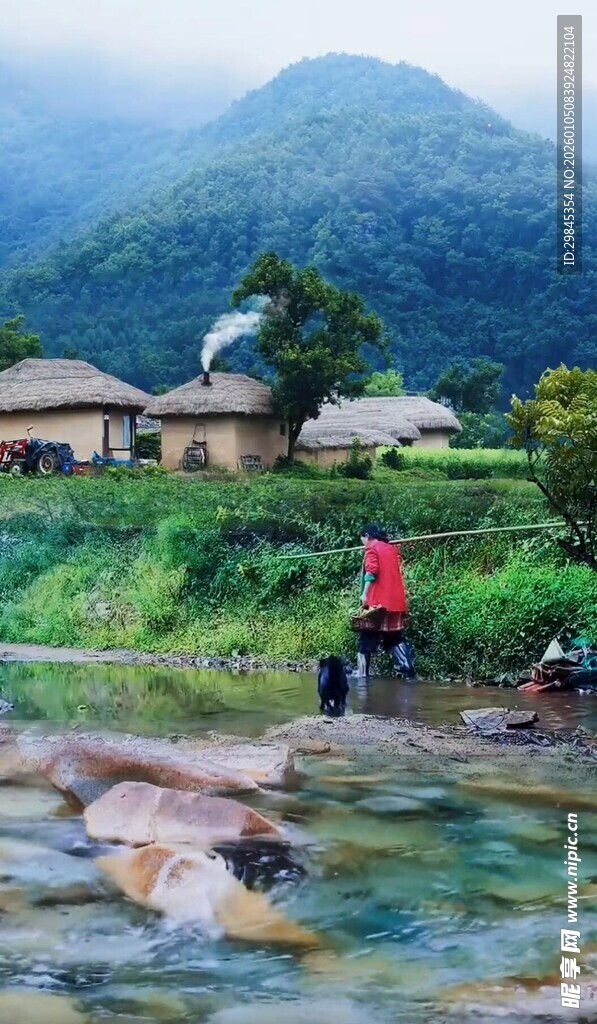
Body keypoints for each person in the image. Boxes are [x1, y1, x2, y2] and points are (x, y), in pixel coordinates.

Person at [353, 524, 415, 679]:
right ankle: (408, 670)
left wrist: (364, 594)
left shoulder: (371, 548)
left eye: (362, 539)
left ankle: (362, 674)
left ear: (367, 536)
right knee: (393, 637)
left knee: (366, 636)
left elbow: (371, 571)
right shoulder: (390, 548)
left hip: (378, 603)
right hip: (395, 602)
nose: (362, 542)